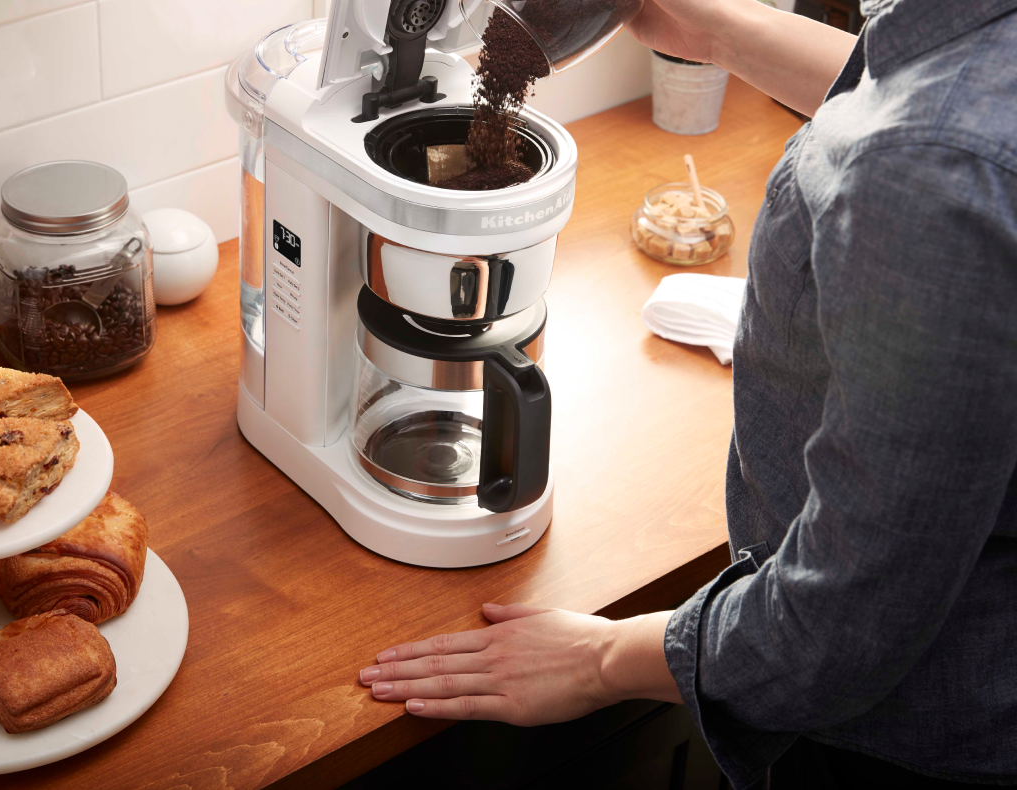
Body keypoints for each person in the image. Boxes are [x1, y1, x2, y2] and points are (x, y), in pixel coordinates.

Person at [356, 1, 1017, 786]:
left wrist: (603, 658)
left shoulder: (931, 171)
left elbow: (841, 629)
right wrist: (712, 30)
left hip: (898, 742)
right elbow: (906, 86)